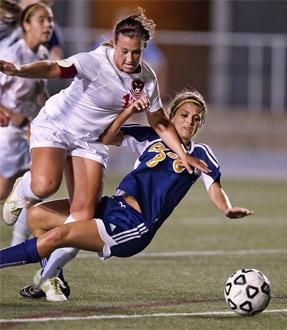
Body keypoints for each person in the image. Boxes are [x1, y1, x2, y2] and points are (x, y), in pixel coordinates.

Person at [0, 8, 209, 297]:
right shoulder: (93, 62)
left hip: (91, 139)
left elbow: (159, 122)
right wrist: (19, 70)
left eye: (136, 52)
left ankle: (50, 274)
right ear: (114, 42)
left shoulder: (146, 77)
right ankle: (23, 189)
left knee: (83, 213)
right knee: (44, 185)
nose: (129, 59)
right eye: (124, 51)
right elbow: (53, 68)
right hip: (58, 125)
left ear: (144, 49)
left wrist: (183, 155)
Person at [0, 90, 254, 302]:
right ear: (171, 116)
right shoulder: (150, 137)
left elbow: (214, 186)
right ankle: (53, 278)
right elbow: (108, 136)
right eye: (184, 115)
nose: (189, 122)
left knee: (59, 235)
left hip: (133, 225)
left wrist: (226, 209)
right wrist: (129, 110)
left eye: (196, 119)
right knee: (37, 216)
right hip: (111, 206)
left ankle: (40, 276)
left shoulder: (200, 152)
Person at [0, 2, 53, 245]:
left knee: (33, 188)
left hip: (25, 133)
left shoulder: (42, 55)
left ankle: (19, 243)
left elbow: (40, 95)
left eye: (50, 20)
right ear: (25, 25)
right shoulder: (12, 54)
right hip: (6, 132)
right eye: (41, 20)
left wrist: (50, 113)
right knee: (3, 192)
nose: (48, 25)